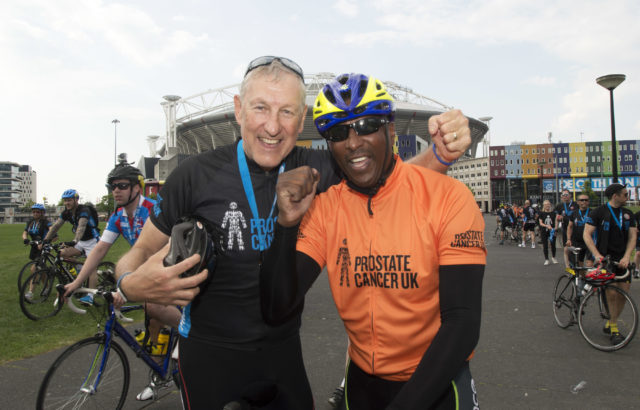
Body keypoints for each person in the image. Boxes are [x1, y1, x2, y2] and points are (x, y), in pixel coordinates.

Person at [113, 57, 472, 409]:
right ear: (239, 110)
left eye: (286, 111)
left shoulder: (319, 168)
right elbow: (138, 253)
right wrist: (129, 283)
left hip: (282, 353)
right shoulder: (193, 175)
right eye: (260, 108)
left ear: (302, 120)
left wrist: (439, 156)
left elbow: (386, 179)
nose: (272, 126)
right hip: (210, 354)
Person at [260, 73, 486, 410]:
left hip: (436, 384)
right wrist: (286, 224)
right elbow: (277, 308)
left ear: (390, 129)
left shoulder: (448, 197)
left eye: (366, 125)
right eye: (337, 131)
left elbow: (462, 324)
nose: (353, 142)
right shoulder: (326, 209)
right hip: (362, 386)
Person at [583, 183, 637, 345]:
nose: (628, 197)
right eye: (625, 195)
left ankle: (611, 320)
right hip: (605, 259)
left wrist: (627, 256)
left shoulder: (628, 214)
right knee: (612, 293)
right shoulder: (598, 212)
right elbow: (587, 234)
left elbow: (633, 237)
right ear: (615, 196)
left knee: (623, 294)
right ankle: (613, 326)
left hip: (622, 259)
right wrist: (596, 255)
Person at [42, 189, 101, 258]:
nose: (67, 203)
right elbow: (56, 226)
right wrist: (45, 240)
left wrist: (74, 241)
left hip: (92, 241)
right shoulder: (67, 212)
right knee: (62, 253)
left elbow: (81, 227)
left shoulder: (84, 210)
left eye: (69, 200)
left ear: (76, 200)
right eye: (65, 200)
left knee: (90, 267)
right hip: (80, 241)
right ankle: (78, 268)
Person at [22, 203, 53, 299]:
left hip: (44, 248)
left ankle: (30, 292)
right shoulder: (30, 222)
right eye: (34, 211)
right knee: (41, 269)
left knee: (34, 268)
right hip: (34, 247)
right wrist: (25, 239)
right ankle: (47, 288)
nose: (35, 213)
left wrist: (44, 242)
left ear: (42, 213)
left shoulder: (45, 222)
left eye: (38, 212)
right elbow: (25, 232)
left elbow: (53, 232)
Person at [565, 193, 593, 267]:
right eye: (581, 200)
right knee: (579, 264)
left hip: (590, 241)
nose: (584, 202)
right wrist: (568, 239)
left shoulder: (593, 213)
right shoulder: (574, 213)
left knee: (589, 263)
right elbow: (570, 227)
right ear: (577, 202)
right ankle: (583, 278)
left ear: (588, 202)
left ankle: (588, 277)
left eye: (586, 200)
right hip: (577, 242)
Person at [556, 189, 577, 266]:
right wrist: (555, 228)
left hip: (575, 229)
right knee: (566, 249)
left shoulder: (575, 204)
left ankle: (575, 265)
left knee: (574, 248)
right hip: (565, 229)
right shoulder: (560, 206)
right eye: (563, 195)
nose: (565, 197)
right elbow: (557, 217)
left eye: (566, 195)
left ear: (570, 195)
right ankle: (568, 266)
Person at [538, 200, 558, 265]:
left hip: (552, 231)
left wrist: (555, 228)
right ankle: (546, 259)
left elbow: (556, 221)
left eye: (548, 204)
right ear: (543, 205)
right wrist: (546, 226)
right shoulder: (541, 213)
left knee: (553, 245)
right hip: (544, 231)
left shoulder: (553, 213)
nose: (547, 205)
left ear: (550, 205)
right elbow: (540, 223)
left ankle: (553, 257)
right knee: (545, 245)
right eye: (546, 204)